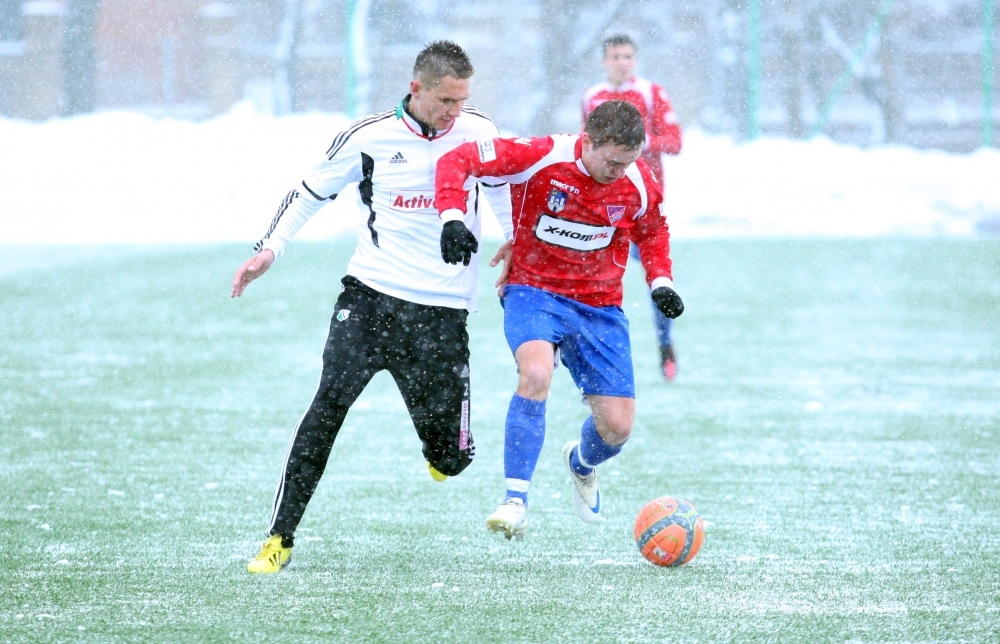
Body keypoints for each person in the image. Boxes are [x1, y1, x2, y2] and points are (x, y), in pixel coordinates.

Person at [232, 40, 512, 572]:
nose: (454, 112)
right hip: (369, 299)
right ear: (416, 88)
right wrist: (271, 246)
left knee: (452, 460)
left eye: (462, 101)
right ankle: (279, 538)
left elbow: (500, 188)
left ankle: (440, 452)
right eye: (445, 101)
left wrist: (516, 239)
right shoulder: (370, 137)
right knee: (327, 406)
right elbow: (310, 191)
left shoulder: (479, 132)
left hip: (442, 313)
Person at [434, 100, 684, 539]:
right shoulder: (541, 155)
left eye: (627, 163)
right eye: (610, 161)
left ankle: (582, 464)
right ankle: (515, 501)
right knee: (535, 373)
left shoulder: (638, 180)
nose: (618, 172)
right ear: (586, 141)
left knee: (618, 428)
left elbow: (652, 229)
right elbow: (459, 159)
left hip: (600, 306)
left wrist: (661, 280)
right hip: (535, 292)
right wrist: (452, 217)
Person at [582, 33, 683, 381]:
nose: (621, 62)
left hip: (640, 204)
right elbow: (585, 146)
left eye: (627, 56)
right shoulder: (592, 98)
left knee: (658, 280)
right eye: (615, 56)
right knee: (593, 280)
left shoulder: (651, 94)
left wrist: (633, 143)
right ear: (604, 61)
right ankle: (588, 355)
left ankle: (665, 348)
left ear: (635, 60)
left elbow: (675, 142)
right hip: (602, 204)